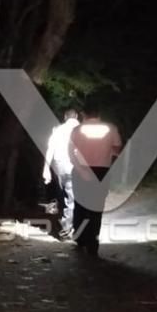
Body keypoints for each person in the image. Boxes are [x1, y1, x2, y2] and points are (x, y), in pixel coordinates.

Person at [69, 104, 123, 257]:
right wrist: (106, 151)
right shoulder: (110, 128)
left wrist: (80, 169)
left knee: (80, 205)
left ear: (83, 114)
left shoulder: (77, 130)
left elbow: (71, 152)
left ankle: (80, 238)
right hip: (101, 171)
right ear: (99, 113)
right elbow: (117, 149)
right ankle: (93, 243)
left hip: (81, 170)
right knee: (96, 208)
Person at [42, 109, 80, 239]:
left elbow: (50, 150)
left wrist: (46, 168)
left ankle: (67, 226)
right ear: (76, 116)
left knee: (66, 195)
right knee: (73, 197)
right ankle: (70, 227)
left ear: (65, 117)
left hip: (61, 166)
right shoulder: (81, 129)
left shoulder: (57, 130)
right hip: (78, 166)